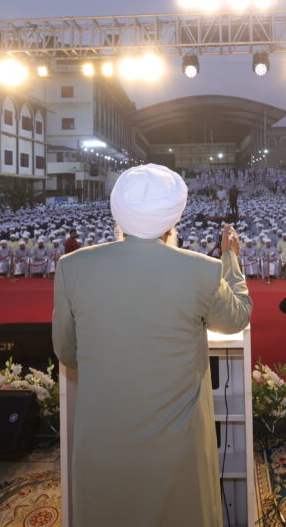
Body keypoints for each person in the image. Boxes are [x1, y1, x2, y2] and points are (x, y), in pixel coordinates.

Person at [52, 164, 251, 527]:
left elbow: (67, 352)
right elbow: (235, 319)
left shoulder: (72, 267)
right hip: (177, 447)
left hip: (103, 439)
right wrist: (231, 259)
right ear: (174, 217)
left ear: (118, 212)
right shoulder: (203, 270)